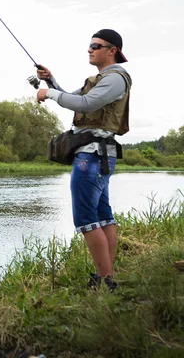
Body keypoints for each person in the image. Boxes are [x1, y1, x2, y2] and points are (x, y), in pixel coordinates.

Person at [36, 29, 132, 291]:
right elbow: (75, 99)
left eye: (95, 45)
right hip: (96, 155)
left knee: (86, 218)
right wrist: (51, 81)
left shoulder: (115, 78)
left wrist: (48, 94)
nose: (89, 49)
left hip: (91, 156)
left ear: (111, 51)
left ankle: (104, 281)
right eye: (89, 45)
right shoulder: (101, 79)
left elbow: (87, 104)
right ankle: (107, 276)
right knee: (102, 215)